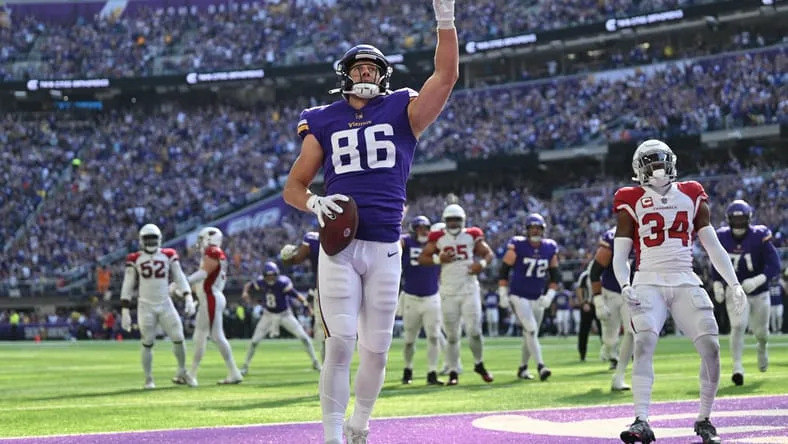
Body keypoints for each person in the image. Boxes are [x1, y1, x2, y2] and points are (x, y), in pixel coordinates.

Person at [282, 0, 459, 439]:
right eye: (359, 68)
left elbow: (446, 76)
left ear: (384, 76)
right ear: (345, 74)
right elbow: (294, 187)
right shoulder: (323, 119)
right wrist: (314, 203)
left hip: (385, 246)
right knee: (340, 343)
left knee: (377, 351)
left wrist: (446, 20)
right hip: (339, 246)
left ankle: (359, 424)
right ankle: (332, 435)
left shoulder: (402, 108)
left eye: (373, 68)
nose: (366, 73)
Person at [613, 139, 747, 444]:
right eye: (651, 164)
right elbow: (621, 254)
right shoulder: (629, 197)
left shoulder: (691, 192)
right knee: (643, 342)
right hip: (648, 280)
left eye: (661, 162)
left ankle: (704, 419)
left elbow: (712, 244)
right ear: (639, 169)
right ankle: (641, 420)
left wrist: (734, 283)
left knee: (711, 348)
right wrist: (625, 284)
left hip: (685, 278)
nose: (658, 168)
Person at [419, 204, 495, 386]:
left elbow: (488, 254)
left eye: (456, 220)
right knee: (452, 336)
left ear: (463, 220)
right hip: (448, 291)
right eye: (450, 220)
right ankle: (453, 371)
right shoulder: (438, 237)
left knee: (475, 331)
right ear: (445, 221)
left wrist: (481, 265)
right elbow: (422, 258)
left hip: (469, 289)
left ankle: (479, 363)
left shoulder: (471, 235)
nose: (453, 223)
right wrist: (438, 259)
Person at [711, 200, 781, 386]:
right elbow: (716, 261)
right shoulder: (722, 236)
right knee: (738, 326)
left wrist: (758, 279)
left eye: (742, 219)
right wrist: (717, 283)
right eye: (735, 220)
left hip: (759, 291)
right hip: (735, 289)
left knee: (761, 332)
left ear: (749, 218)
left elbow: (774, 264)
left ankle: (762, 347)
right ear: (728, 220)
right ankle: (737, 367)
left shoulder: (760, 235)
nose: (739, 223)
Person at [120, 224, 195, 389]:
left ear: (159, 239)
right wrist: (125, 309)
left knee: (179, 337)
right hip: (145, 305)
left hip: (165, 302)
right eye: (148, 238)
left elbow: (179, 276)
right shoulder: (134, 258)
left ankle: (182, 371)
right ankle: (148, 379)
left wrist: (188, 296)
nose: (150, 241)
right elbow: (128, 284)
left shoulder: (168, 255)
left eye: (153, 238)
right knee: (147, 342)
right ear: (141, 240)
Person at [497, 213, 559, 382]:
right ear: (526, 230)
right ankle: (541, 366)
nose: (535, 231)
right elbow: (504, 271)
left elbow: (555, 275)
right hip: (519, 295)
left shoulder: (549, 247)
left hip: (537, 297)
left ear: (543, 230)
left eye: (538, 228)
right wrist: (503, 293)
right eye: (532, 228)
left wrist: (550, 295)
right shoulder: (518, 245)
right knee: (531, 330)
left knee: (530, 334)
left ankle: (523, 367)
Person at [185, 226, 243, 386]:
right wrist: (188, 294)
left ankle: (233, 372)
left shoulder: (213, 251)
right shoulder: (214, 253)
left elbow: (203, 274)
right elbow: (202, 282)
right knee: (200, 336)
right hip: (209, 297)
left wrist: (183, 282)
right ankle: (191, 374)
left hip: (212, 297)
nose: (200, 243)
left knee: (216, 336)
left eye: (201, 239)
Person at [240, 261, 321, 375]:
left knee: (304, 338)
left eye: (272, 275)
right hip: (268, 315)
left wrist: (307, 306)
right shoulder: (261, 282)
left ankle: (315, 362)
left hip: (285, 315)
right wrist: (245, 292)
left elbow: (296, 295)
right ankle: (245, 366)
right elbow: (249, 285)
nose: (270, 278)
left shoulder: (282, 283)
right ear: (264, 275)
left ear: (277, 274)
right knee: (254, 341)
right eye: (268, 276)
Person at [398, 215, 444, 385]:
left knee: (434, 336)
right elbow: (397, 243)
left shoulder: (435, 244)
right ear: (414, 230)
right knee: (409, 339)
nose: (423, 232)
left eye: (426, 228)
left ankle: (432, 372)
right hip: (411, 297)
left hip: (432, 296)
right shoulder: (406, 242)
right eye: (419, 228)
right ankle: (407, 369)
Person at [590, 226, 634, 391]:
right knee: (610, 337)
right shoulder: (613, 237)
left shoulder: (648, 231)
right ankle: (608, 347)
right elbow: (595, 272)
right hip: (611, 292)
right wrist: (598, 301)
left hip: (634, 292)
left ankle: (621, 375)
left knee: (633, 331)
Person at [280, 231, 324, 362]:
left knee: (323, 332)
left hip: (327, 289)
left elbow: (297, 258)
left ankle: (328, 367)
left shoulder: (310, 238)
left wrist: (291, 257)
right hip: (337, 284)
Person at [575, 263, 602, 362]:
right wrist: (583, 303)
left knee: (603, 329)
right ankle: (582, 354)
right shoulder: (585, 275)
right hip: (588, 305)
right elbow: (579, 289)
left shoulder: (602, 274)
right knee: (584, 330)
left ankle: (608, 353)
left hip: (600, 305)